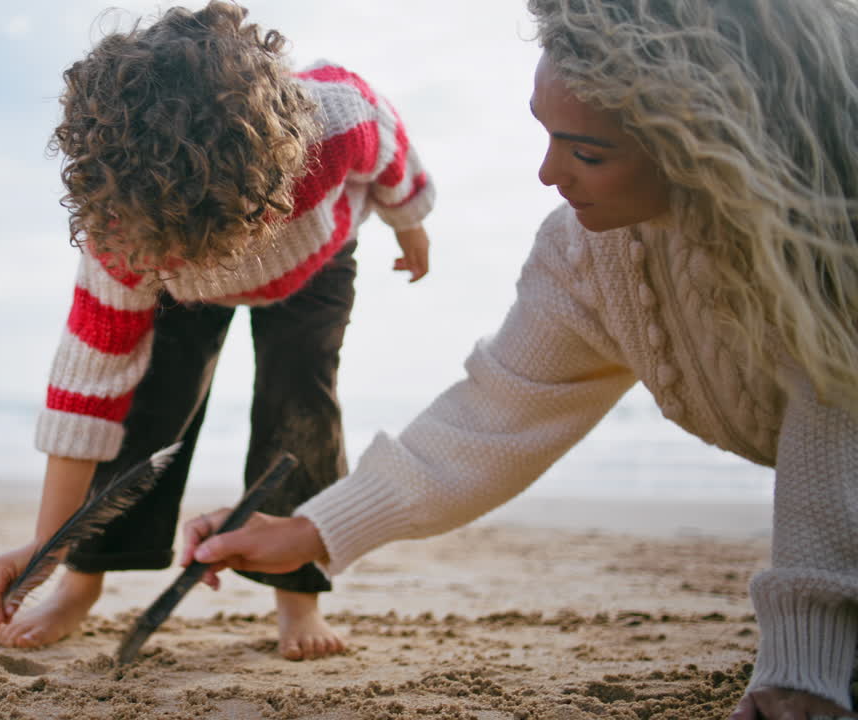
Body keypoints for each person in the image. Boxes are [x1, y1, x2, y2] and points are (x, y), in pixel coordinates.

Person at [183, 0, 858, 715]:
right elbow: (493, 418)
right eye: (547, 136)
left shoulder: (832, 242)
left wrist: (802, 664)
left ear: (711, 138)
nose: (547, 173)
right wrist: (308, 530)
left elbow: (839, 431)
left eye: (588, 153)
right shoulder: (585, 252)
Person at [0, 0, 434, 661]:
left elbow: (392, 148)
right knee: (148, 408)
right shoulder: (124, 238)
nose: (158, 258)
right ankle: (81, 586)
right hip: (178, 291)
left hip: (315, 258)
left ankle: (296, 597)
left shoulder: (340, 120)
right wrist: (46, 547)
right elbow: (87, 396)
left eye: (175, 248)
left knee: (299, 400)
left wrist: (409, 220)